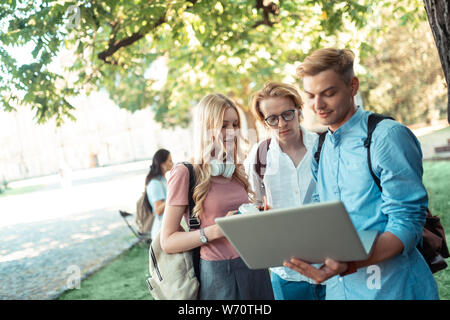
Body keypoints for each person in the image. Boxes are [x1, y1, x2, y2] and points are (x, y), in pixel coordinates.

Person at [283, 48, 439, 299]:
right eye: (310, 95)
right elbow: (319, 210)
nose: (317, 105)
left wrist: (350, 263)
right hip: (339, 291)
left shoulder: (387, 136)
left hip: (391, 289)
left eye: (329, 93)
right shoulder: (319, 147)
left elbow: (407, 223)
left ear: (353, 86)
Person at [160, 93, 274, 300]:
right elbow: (167, 241)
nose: (232, 132)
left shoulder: (235, 171)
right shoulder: (185, 173)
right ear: (206, 129)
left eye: (235, 124)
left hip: (256, 267)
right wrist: (218, 229)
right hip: (220, 273)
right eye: (223, 125)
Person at [244, 82, 326, 300]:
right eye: (272, 118)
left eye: (287, 114)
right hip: (287, 275)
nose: (281, 123)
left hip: (334, 267)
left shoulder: (325, 146)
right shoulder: (258, 156)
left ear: (299, 110)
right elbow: (253, 205)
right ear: (264, 121)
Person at [145, 148, 173, 240]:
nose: (172, 163)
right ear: (162, 163)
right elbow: (158, 210)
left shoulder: (162, 179)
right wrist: (174, 196)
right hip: (160, 230)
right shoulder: (155, 183)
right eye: (170, 160)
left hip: (166, 227)